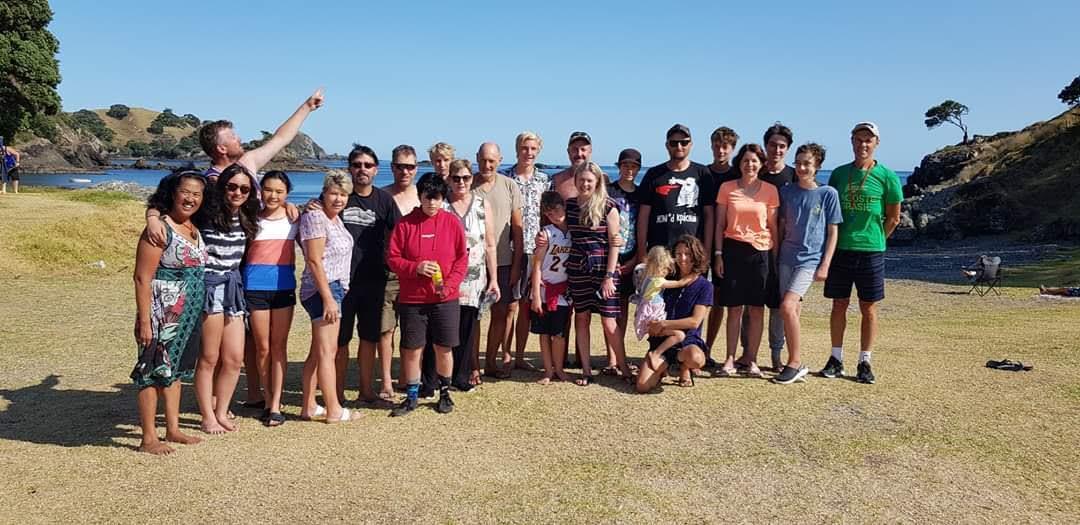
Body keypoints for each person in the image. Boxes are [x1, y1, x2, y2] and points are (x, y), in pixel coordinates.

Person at [146, 89, 322, 244]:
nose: (239, 139)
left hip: (252, 245)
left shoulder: (247, 162)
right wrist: (153, 218)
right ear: (222, 148)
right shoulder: (207, 181)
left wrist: (307, 107)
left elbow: (281, 138)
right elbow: (166, 202)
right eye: (232, 137)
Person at [131, 170, 209, 454]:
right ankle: (149, 437)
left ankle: (173, 429)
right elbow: (142, 277)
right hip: (162, 311)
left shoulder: (194, 226)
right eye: (185, 192)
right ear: (172, 193)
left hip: (188, 312)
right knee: (152, 371)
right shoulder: (159, 228)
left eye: (197, 194)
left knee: (175, 370)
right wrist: (144, 320)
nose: (190, 198)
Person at [821, 122, 902, 385]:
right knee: (838, 304)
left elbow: (894, 218)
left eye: (868, 140)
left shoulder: (887, 177)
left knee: (868, 307)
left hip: (871, 251)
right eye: (858, 139)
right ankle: (835, 358)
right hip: (841, 250)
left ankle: (865, 361)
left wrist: (877, 240)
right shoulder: (839, 174)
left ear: (876, 143)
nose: (862, 145)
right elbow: (830, 213)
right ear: (851, 142)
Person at [386, 173, 468, 416]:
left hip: (445, 298)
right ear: (419, 196)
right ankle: (412, 395)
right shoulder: (405, 224)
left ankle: (445, 393)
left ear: (443, 198)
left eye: (437, 197)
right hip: (413, 299)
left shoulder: (452, 223)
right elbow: (393, 258)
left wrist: (450, 285)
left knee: (444, 347)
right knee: (412, 348)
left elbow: (462, 259)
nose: (432, 203)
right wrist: (416, 267)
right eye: (427, 197)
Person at [331, 145, 402, 403]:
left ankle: (366, 390)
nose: (362, 169)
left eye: (368, 165)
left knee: (369, 337)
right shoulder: (339, 196)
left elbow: (402, 233)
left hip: (374, 279)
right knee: (340, 341)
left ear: (375, 169)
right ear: (350, 168)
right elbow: (316, 214)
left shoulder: (384, 200)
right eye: (357, 164)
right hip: (341, 280)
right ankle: (336, 392)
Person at [193, 163, 260, 433]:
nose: (237, 192)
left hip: (233, 287)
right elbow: (164, 204)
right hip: (210, 287)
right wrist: (152, 216)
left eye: (244, 188)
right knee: (209, 357)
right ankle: (206, 415)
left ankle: (221, 410)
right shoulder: (205, 214)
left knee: (233, 358)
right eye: (232, 186)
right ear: (222, 187)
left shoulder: (246, 215)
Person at [773, 144, 842, 385]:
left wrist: (825, 264)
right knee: (793, 311)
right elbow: (780, 226)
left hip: (810, 260)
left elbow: (833, 232)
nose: (802, 168)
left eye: (808, 164)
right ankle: (792, 361)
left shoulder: (827, 194)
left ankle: (795, 362)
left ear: (818, 166)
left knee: (787, 307)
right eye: (799, 162)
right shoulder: (787, 191)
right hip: (786, 257)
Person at [713, 144, 779, 379]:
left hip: (760, 252)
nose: (750, 165)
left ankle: (751, 359)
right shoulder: (727, 188)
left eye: (754, 161)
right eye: (745, 160)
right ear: (739, 163)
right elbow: (720, 225)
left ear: (761, 164)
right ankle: (730, 358)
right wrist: (718, 255)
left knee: (756, 309)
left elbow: (772, 227)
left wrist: (775, 259)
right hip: (732, 250)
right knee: (733, 309)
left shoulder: (770, 190)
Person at [565, 161, 634, 384]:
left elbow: (615, 244)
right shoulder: (570, 206)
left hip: (603, 269)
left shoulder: (608, 206)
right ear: (575, 181)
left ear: (597, 183)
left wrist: (609, 276)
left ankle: (623, 368)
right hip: (577, 268)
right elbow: (563, 231)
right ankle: (586, 370)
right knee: (582, 318)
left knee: (609, 321)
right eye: (581, 180)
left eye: (589, 180)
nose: (585, 184)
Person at [298, 171, 357, 423]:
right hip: (323, 289)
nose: (338, 199)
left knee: (318, 351)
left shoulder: (333, 218)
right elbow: (313, 259)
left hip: (334, 288)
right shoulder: (316, 217)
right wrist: (328, 298)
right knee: (327, 352)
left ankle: (309, 405)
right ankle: (333, 408)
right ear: (324, 193)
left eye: (343, 194)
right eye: (334, 193)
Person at [243, 171, 298, 425]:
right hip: (254, 287)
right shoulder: (250, 217)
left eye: (279, 191)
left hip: (283, 288)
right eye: (268, 190)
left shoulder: (294, 218)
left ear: (287, 193)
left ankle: (275, 404)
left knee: (278, 347)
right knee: (262, 347)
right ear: (260, 191)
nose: (273, 195)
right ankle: (266, 399)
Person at [444, 159, 500, 391]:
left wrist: (494, 278)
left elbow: (490, 244)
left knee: (468, 327)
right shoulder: (442, 204)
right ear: (449, 179)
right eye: (456, 178)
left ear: (471, 179)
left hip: (474, 277)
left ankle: (462, 375)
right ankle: (441, 375)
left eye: (465, 178)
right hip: (446, 277)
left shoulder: (481, 205)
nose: (461, 183)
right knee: (445, 327)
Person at [472, 142, 524, 379]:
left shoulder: (509, 186)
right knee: (472, 317)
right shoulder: (467, 184)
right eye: (483, 160)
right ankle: (472, 364)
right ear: (477, 158)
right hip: (472, 263)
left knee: (500, 314)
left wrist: (516, 266)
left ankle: (491, 361)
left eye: (492, 161)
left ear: (500, 160)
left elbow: (518, 229)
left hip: (503, 261)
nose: (487, 165)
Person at [634, 235, 712, 393]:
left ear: (696, 256)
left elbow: (694, 322)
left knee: (696, 359)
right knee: (642, 386)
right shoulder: (664, 279)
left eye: (688, 254)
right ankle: (664, 365)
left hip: (687, 341)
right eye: (678, 254)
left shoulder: (705, 286)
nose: (682, 258)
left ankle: (684, 367)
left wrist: (663, 324)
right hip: (662, 338)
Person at [501, 131, 550, 373]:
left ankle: (520, 355)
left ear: (538, 150)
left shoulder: (544, 180)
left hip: (537, 249)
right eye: (524, 148)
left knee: (526, 307)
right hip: (511, 249)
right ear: (517, 149)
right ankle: (506, 354)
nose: (528, 153)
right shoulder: (505, 178)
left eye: (532, 148)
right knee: (510, 304)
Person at [636, 124, 715, 266]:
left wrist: (707, 251)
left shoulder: (703, 174)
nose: (679, 146)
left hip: (692, 254)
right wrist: (642, 253)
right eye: (674, 143)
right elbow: (643, 216)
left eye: (684, 142)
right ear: (667, 145)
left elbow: (709, 215)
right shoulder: (654, 174)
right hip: (660, 253)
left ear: (691, 144)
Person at [755, 122, 796, 371]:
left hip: (786, 250)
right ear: (765, 146)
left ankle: (777, 355)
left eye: (782, 146)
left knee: (780, 307)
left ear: (788, 149)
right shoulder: (755, 174)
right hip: (757, 248)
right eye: (772, 145)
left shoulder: (793, 176)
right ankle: (747, 354)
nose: (777, 150)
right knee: (753, 305)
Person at [382, 145, 421, 390]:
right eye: (400, 166)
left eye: (410, 166)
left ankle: (409, 377)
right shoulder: (382, 195)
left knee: (413, 329)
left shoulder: (423, 196)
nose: (405, 171)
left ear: (416, 168)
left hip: (417, 274)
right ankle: (386, 380)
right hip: (388, 273)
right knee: (386, 329)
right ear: (392, 167)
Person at [604, 148, 643, 375]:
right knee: (610, 309)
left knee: (624, 309)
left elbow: (642, 227)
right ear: (619, 166)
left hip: (630, 255)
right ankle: (611, 359)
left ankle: (620, 357)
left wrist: (637, 257)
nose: (629, 170)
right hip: (610, 255)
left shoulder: (640, 194)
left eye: (634, 166)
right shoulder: (609, 191)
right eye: (625, 165)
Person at [704, 127, 739, 367]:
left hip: (728, 246)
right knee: (693, 297)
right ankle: (690, 346)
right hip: (699, 243)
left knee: (718, 300)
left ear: (732, 148)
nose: (721, 150)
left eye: (726, 146)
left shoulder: (738, 176)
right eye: (717, 145)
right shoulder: (701, 173)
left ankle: (707, 348)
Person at [530, 191, 573, 384]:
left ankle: (559, 369)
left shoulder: (573, 231)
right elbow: (537, 264)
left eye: (558, 208)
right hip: (545, 289)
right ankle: (548, 370)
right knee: (544, 332)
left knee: (559, 333)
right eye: (550, 212)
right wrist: (535, 296)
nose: (556, 214)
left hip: (563, 290)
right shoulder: (546, 233)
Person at [631, 246, 695, 347]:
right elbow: (679, 283)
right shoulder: (658, 281)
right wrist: (692, 276)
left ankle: (657, 353)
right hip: (654, 318)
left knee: (678, 335)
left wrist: (676, 259)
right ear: (656, 266)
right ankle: (658, 353)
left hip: (648, 314)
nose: (667, 271)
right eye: (665, 268)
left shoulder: (648, 277)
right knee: (680, 335)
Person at [550, 131, 592, 200]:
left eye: (583, 149)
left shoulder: (602, 179)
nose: (579, 154)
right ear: (568, 151)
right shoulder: (556, 180)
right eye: (575, 149)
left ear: (590, 151)